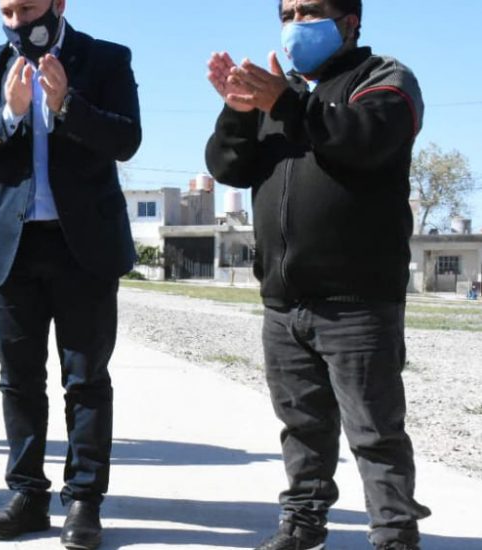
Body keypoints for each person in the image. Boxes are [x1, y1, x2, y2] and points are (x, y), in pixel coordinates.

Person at [204, 1, 430, 549]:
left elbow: (363, 140)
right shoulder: (275, 98)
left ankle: (394, 534)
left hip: (357, 302)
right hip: (285, 303)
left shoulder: (383, 79)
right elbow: (226, 166)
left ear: (349, 20)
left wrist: (286, 102)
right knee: (301, 426)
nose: (296, 23)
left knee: (374, 430)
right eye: (289, 12)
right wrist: (239, 110)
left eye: (311, 10)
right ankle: (303, 524)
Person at [0, 0, 140, 547]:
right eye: (6, 10)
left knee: (85, 380)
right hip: (12, 251)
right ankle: (27, 494)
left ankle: (84, 499)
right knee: (19, 380)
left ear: (57, 4)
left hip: (86, 250)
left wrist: (66, 105)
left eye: (27, 7)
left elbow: (126, 138)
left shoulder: (105, 59)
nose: (16, 21)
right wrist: (9, 113)